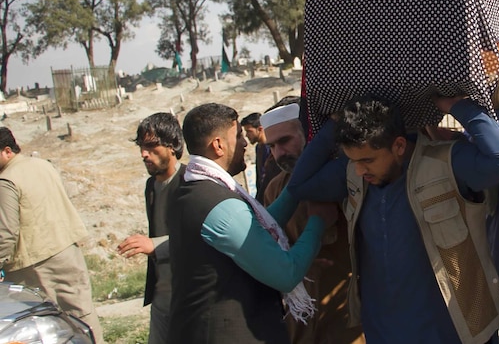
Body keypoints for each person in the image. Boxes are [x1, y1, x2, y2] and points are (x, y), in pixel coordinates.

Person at [289, 94, 499, 344]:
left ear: (399, 146)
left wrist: (457, 106)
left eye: (367, 160)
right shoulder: (354, 174)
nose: (359, 169)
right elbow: (299, 186)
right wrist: (333, 125)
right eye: (354, 160)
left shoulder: (446, 163)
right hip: (384, 329)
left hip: (456, 329)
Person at [167, 103, 337, 343]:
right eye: (237, 136)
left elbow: (259, 226)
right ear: (218, 145)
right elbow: (285, 274)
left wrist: (297, 187)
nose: (246, 143)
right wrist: (318, 222)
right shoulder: (217, 204)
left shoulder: (193, 188)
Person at [259, 101, 363, 344]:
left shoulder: (351, 176)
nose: (278, 153)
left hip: (351, 318)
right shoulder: (276, 189)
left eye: (285, 141)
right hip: (302, 323)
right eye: (272, 146)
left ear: (308, 133)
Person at [0, 127, 103, 342]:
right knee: (82, 314)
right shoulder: (42, 165)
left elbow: (6, 233)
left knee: (47, 325)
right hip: (67, 249)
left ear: (6, 151)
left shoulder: (6, 181)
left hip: (36, 264)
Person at [118, 113, 186, 344]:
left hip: (188, 295)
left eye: (150, 146)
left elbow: (200, 235)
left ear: (172, 146)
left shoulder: (190, 182)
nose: (143, 154)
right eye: (141, 147)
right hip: (161, 296)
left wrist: (154, 245)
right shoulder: (151, 186)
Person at [241, 112, 278, 203]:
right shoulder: (259, 148)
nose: (246, 135)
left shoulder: (273, 148)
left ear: (260, 129)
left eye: (249, 131)